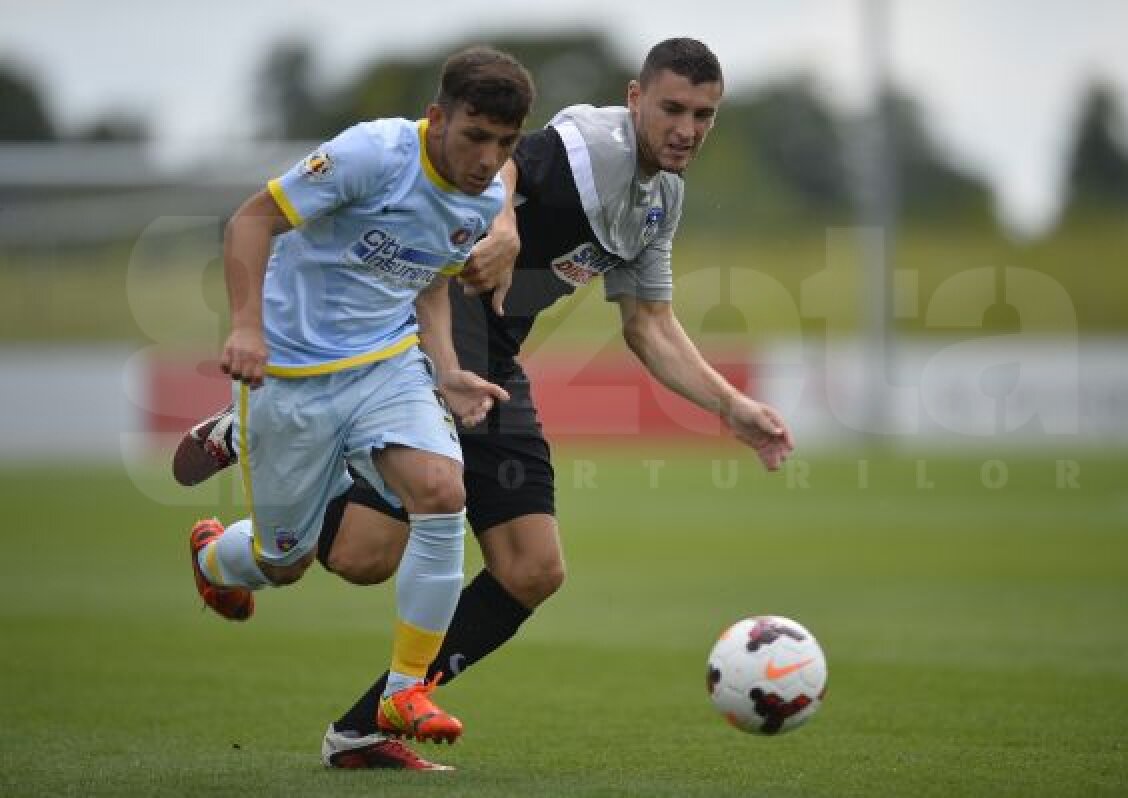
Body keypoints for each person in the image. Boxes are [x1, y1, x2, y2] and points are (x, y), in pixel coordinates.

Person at [176, 38, 793, 770]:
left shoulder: (660, 199)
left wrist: (729, 406)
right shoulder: (591, 144)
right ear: (635, 98)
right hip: (438, 339)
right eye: (672, 108)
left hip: (491, 356)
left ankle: (361, 726)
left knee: (504, 567)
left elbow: (648, 326)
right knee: (394, 534)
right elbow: (506, 155)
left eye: (704, 115)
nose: (687, 128)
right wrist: (502, 220)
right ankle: (298, 445)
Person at [183, 46, 534, 767]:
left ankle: (406, 688)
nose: (485, 157)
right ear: (438, 117)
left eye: (503, 143)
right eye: (474, 134)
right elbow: (251, 223)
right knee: (283, 562)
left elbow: (430, 284)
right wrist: (246, 325)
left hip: (384, 364)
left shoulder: (484, 199)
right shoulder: (370, 153)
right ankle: (216, 557)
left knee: (443, 490)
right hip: (287, 375)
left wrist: (448, 371)